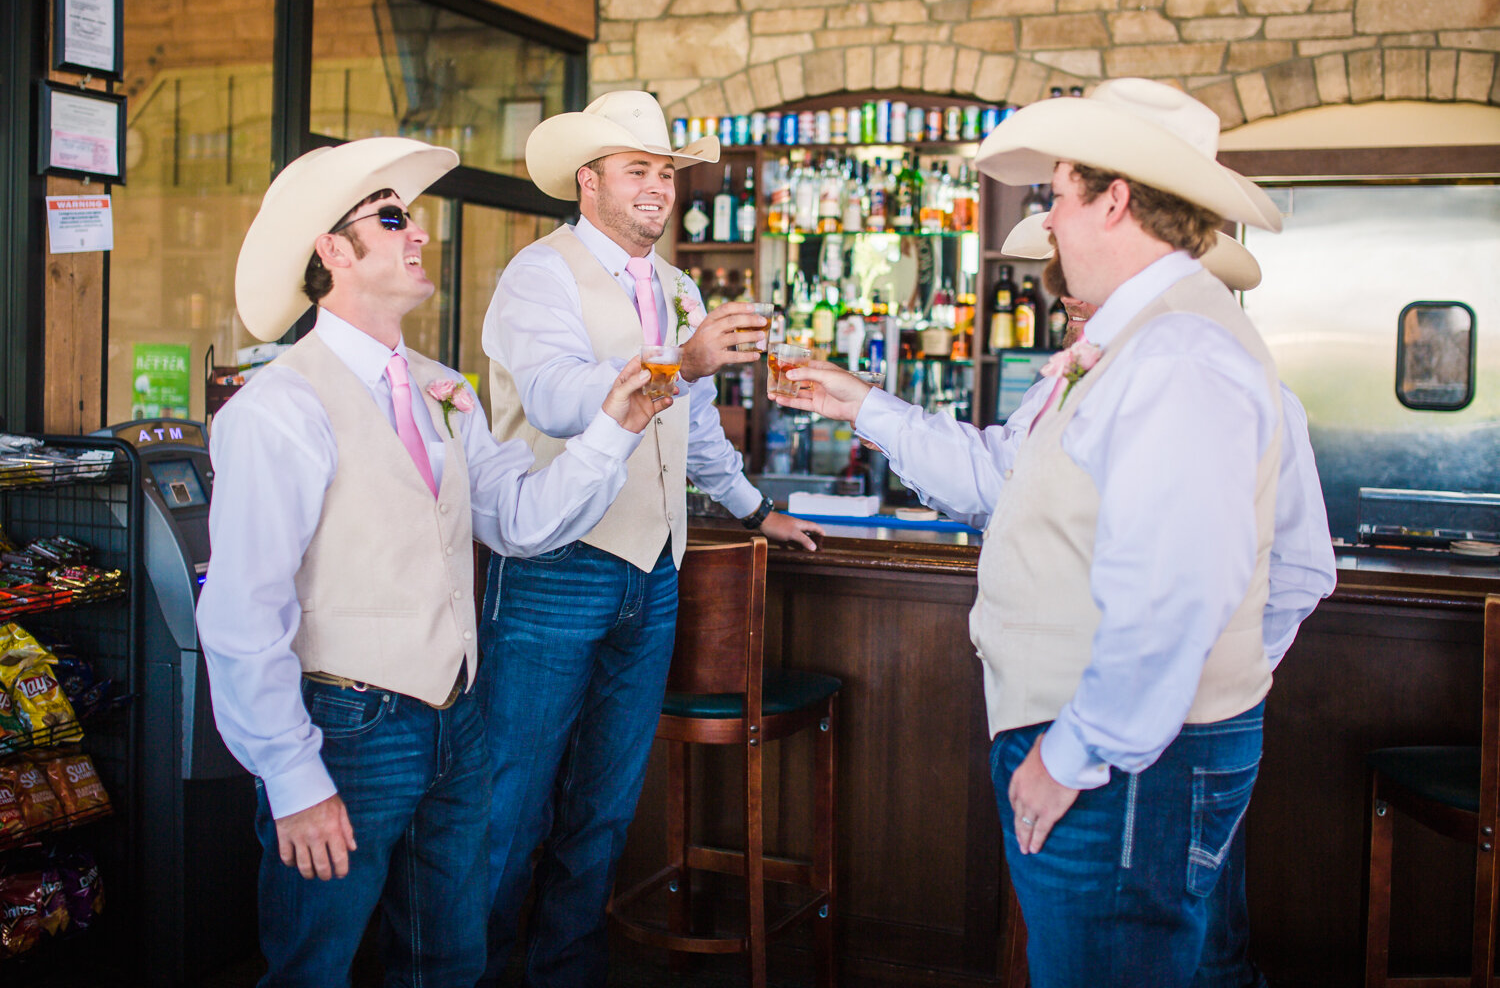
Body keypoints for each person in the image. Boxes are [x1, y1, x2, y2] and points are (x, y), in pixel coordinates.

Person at [772, 78, 1336, 986]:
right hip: (1122, 751)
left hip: (1120, 768)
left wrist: (1076, 752)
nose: (1050, 219)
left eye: (1060, 193)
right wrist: (858, 400)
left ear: (1114, 200)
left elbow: (1175, 591)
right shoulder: (1127, 349)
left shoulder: (1179, 355)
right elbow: (999, 478)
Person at [196, 136, 670, 987]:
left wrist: (615, 430)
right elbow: (242, 612)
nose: (417, 234)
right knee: (315, 963)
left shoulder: (442, 388)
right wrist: (292, 774)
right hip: (345, 730)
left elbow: (523, 526)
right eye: (390, 219)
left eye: (411, 217)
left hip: (459, 720)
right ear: (333, 252)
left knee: (445, 961)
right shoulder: (278, 408)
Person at [476, 90, 823, 986]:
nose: (659, 190)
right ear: (588, 183)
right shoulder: (538, 275)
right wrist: (687, 358)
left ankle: (562, 975)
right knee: (509, 808)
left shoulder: (676, 286)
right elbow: (556, 396)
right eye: (640, 171)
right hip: (555, 568)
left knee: (602, 812)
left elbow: (696, 427)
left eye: (667, 174)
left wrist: (752, 510)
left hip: (654, 573)